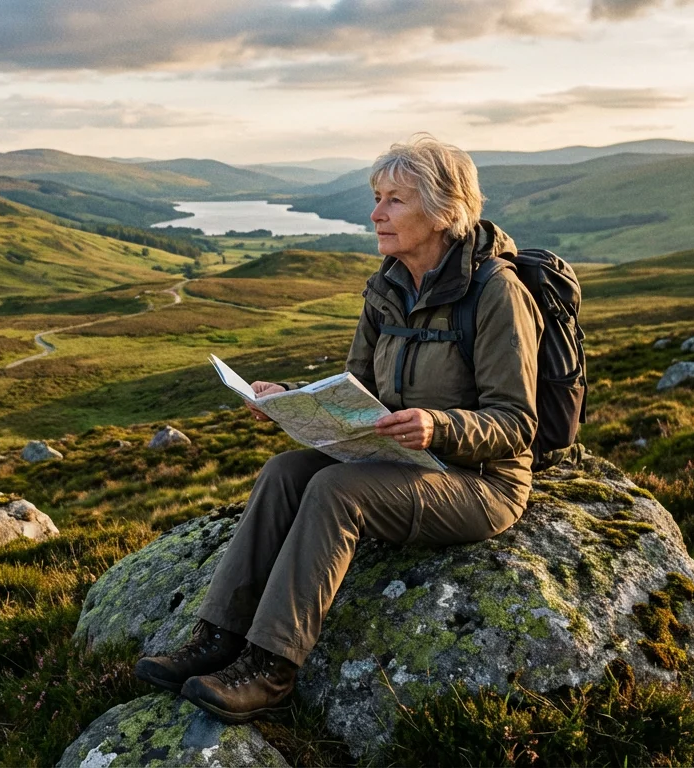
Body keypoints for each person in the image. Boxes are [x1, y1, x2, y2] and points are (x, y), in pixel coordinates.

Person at [132, 134, 545, 724]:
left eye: (395, 201)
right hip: (402, 462)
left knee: (334, 491)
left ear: (443, 210)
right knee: (282, 473)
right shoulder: (387, 286)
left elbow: (516, 423)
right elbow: (355, 387)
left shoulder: (496, 292)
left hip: (481, 481)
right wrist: (287, 401)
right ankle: (218, 637)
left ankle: (269, 667)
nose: (376, 213)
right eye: (377, 197)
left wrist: (438, 424)